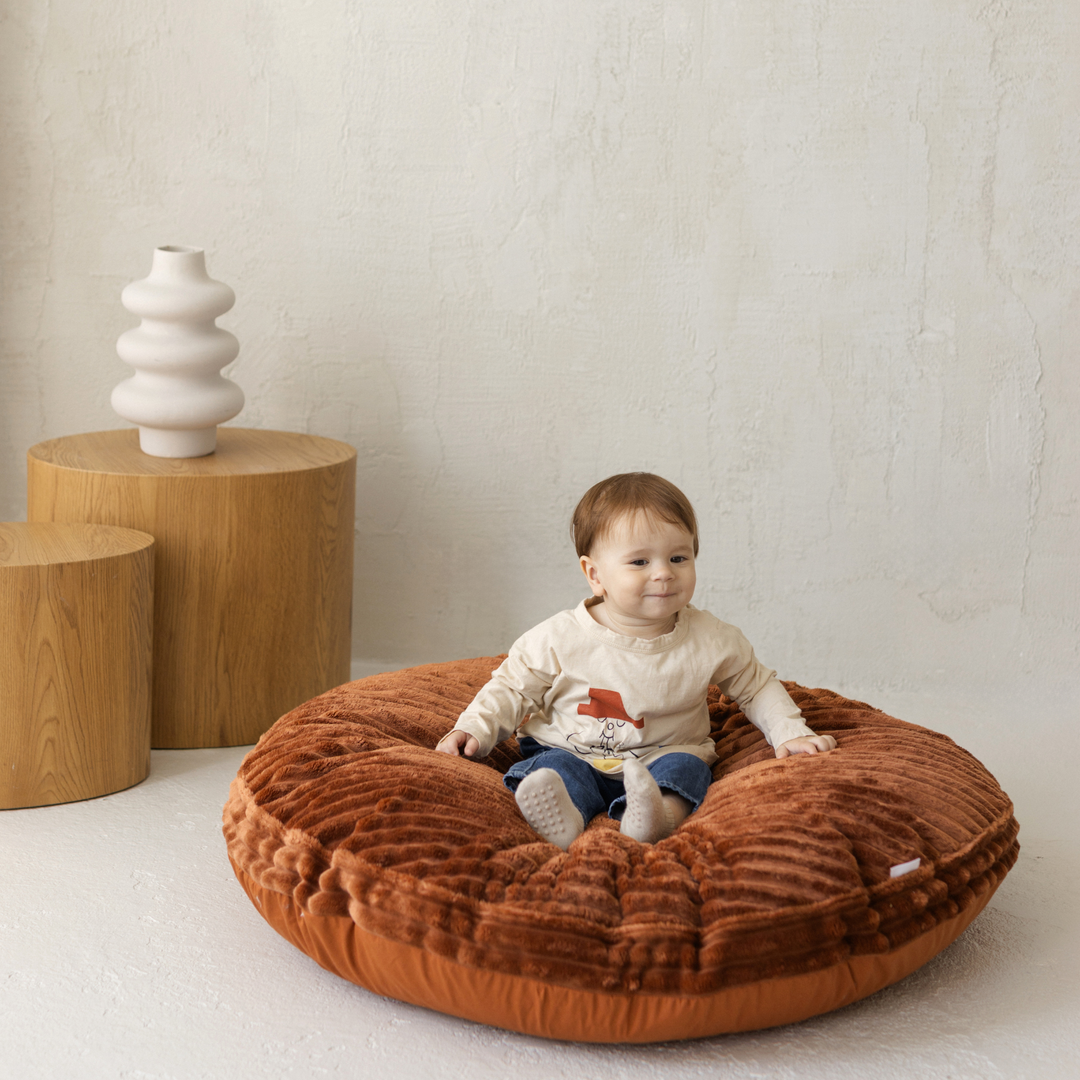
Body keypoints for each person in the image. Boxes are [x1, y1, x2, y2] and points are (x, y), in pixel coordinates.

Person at [436, 472, 837, 849]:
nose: (663, 573)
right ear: (595, 575)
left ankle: (656, 815)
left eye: (679, 558)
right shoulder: (558, 638)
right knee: (552, 770)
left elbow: (756, 686)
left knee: (688, 770)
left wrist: (789, 732)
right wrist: (475, 728)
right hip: (571, 751)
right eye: (640, 562)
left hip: (663, 756)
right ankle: (565, 818)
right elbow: (511, 688)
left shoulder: (712, 638)